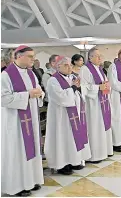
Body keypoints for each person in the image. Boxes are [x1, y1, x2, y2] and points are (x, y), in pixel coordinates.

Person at [1, 45, 44, 196]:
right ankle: (17, 186)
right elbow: (3, 99)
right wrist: (27, 95)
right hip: (15, 122)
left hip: (30, 118)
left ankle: (31, 181)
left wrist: (40, 94)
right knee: (18, 151)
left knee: (31, 149)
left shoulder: (31, 74)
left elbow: (38, 90)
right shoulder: (6, 75)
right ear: (19, 56)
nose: (33, 59)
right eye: (30, 56)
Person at [44, 56, 91, 175]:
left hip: (74, 114)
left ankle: (74, 160)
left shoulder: (72, 77)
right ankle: (62, 164)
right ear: (58, 66)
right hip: (61, 116)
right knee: (62, 138)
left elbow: (79, 94)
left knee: (73, 138)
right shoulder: (53, 80)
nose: (70, 67)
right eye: (66, 65)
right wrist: (74, 87)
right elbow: (63, 98)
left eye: (70, 65)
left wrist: (79, 88)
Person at [79, 48, 113, 163]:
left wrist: (107, 86)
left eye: (100, 56)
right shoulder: (85, 69)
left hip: (102, 102)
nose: (100, 58)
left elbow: (105, 83)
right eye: (97, 56)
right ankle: (94, 155)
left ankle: (104, 151)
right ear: (90, 57)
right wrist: (98, 87)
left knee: (102, 127)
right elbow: (83, 87)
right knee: (94, 128)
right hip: (92, 105)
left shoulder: (99, 69)